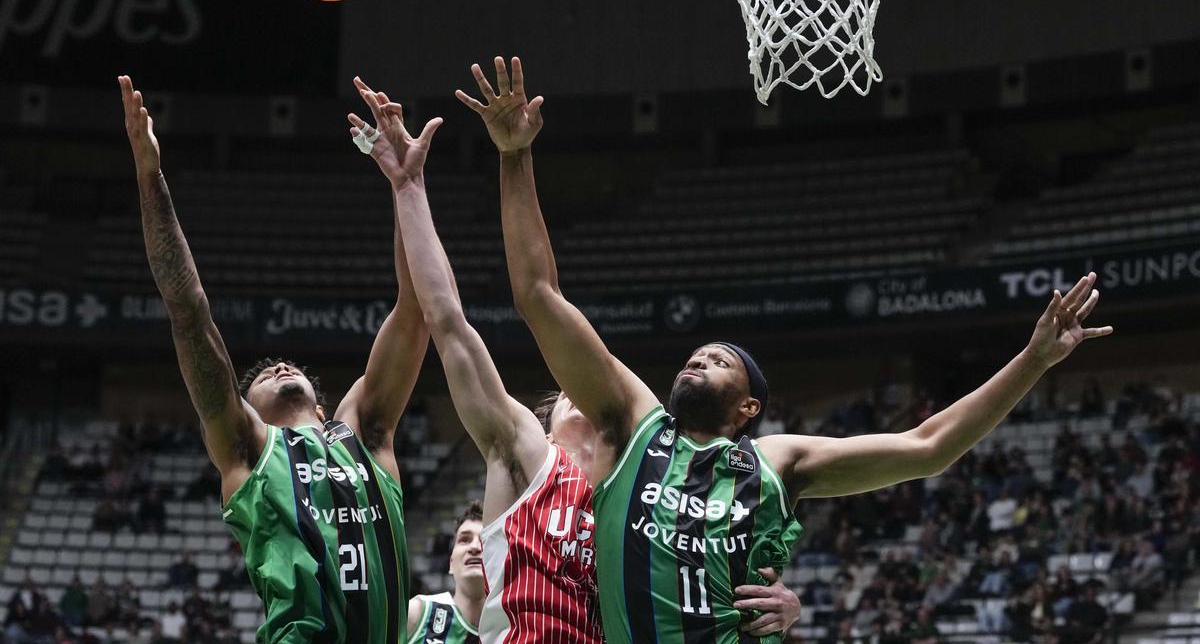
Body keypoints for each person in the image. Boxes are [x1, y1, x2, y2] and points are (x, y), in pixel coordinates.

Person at [457, 55, 1115, 644]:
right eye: (695, 355)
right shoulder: (631, 425)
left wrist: (1032, 361)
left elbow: (928, 448)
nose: (697, 359)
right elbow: (540, 296)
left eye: (718, 361)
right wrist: (516, 157)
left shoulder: (777, 462)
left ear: (747, 408)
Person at [350, 79, 801, 643]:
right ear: (549, 422)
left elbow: (730, 573)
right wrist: (409, 186)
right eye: (564, 396)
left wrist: (782, 604)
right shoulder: (526, 453)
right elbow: (448, 323)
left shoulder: (650, 493)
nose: (578, 396)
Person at [118, 75, 429, 643]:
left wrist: (406, 185)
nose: (279, 369)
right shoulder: (248, 447)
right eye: (261, 375)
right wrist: (150, 179)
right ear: (248, 407)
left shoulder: (367, 430)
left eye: (288, 369)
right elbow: (188, 311)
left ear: (322, 396)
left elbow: (416, 310)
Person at [406, 502, 486, 644]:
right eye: (464, 540)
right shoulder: (417, 614)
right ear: (451, 563)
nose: (474, 547)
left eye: (484, 540)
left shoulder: (513, 629)